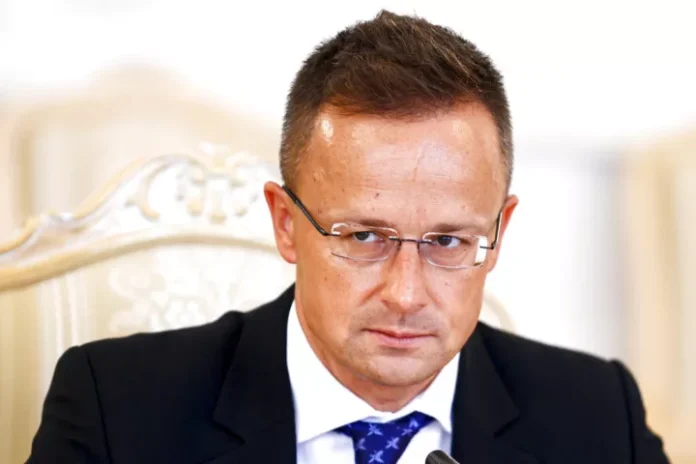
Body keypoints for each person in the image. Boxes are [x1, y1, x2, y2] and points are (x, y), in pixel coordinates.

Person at [28, 10, 669, 464]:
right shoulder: (118, 408)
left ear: (497, 235)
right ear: (285, 223)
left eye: (447, 242)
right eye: (365, 236)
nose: (406, 295)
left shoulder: (598, 417)